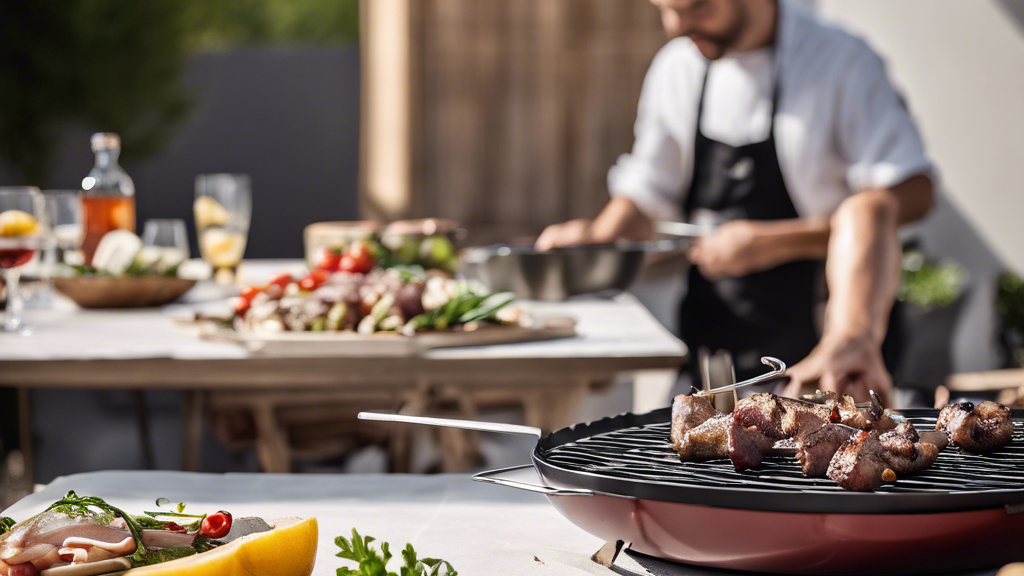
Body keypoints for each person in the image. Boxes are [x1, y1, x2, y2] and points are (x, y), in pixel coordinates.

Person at [536, 0, 934, 402]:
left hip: (820, 357)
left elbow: (909, 192)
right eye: (665, 9)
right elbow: (648, 194)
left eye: (695, 7)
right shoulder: (677, 67)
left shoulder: (841, 62)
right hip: (713, 354)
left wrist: (773, 242)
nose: (675, 26)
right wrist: (596, 240)